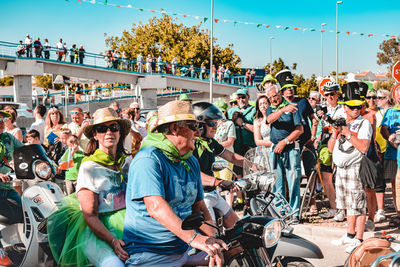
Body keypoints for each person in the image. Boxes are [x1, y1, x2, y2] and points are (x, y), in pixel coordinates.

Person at [123, 100, 226, 266]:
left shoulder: (190, 161)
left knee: (237, 250)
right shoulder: (149, 159)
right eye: (193, 127)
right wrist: (196, 239)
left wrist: (214, 239)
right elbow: (156, 207)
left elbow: (198, 206)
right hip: (152, 253)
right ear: (175, 128)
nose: (198, 133)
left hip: (183, 250)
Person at [48, 107, 132, 267]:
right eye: (102, 128)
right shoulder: (90, 167)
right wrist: (113, 241)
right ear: (95, 134)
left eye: (113, 127)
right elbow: (90, 216)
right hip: (97, 232)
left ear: (119, 132)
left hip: (129, 226)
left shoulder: (127, 162)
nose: (109, 132)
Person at [329, 82, 372, 253]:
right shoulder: (342, 122)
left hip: (355, 168)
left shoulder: (364, 123)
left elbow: (363, 147)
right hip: (341, 169)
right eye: (352, 107)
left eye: (359, 107)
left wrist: (347, 133)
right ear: (345, 107)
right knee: (347, 204)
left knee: (358, 204)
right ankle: (349, 234)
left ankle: (359, 238)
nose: (356, 110)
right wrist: (335, 132)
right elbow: (331, 148)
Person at [192, 102, 243, 227]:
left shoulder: (210, 142)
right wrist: (219, 182)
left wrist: (253, 166)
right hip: (201, 196)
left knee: (237, 227)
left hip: (213, 193)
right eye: (211, 124)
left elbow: (230, 156)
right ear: (199, 125)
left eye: (216, 123)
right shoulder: (192, 145)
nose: (215, 127)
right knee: (213, 234)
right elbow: (194, 173)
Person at [265, 84, 304, 223]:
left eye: (275, 96)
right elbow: (269, 120)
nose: (273, 100)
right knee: (277, 183)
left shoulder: (293, 107)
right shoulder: (271, 108)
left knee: (293, 181)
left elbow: (300, 130)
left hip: (291, 148)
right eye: (270, 98)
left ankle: (294, 214)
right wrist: (282, 110)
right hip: (275, 149)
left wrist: (285, 142)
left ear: (280, 93)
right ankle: (281, 213)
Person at [316, 81, 347, 221]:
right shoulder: (323, 108)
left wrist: (329, 118)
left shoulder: (343, 109)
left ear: (337, 94)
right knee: (326, 177)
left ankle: (343, 209)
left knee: (340, 178)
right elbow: (319, 126)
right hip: (325, 144)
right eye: (326, 94)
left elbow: (341, 126)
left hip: (340, 144)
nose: (329, 97)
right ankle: (334, 208)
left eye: (332, 94)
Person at [0, 110, 24, 267]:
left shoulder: (8, 138)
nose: (1, 122)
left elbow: (24, 150)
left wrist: (46, 160)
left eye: (2, 119)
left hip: (7, 187)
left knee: (27, 211)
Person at [381, 85, 400, 227]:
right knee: (394, 185)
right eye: (398, 97)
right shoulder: (390, 112)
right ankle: (398, 213)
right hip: (392, 153)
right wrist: (389, 138)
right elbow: (383, 129)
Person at [213, 100, 237, 207]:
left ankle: (229, 207)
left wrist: (214, 146)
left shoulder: (229, 124)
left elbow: (230, 141)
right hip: (214, 159)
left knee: (227, 183)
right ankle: (218, 207)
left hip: (226, 158)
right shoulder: (212, 125)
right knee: (216, 184)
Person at [227, 88, 256, 176]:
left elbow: (258, 130)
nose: (240, 100)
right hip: (236, 146)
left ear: (248, 97)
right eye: (238, 98)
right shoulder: (231, 111)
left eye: (243, 97)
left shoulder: (254, 110)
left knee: (250, 171)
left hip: (250, 145)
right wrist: (232, 120)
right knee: (237, 171)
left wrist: (242, 123)